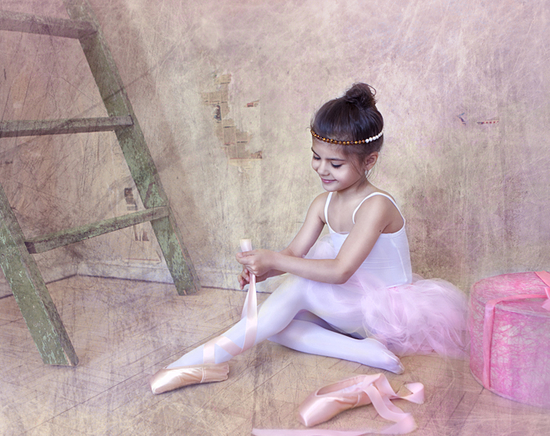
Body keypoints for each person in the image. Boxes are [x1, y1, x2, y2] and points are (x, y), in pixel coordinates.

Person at [150, 83, 466, 394]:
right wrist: (266, 268)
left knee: (291, 295)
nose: (322, 170)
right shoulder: (322, 204)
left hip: (388, 315)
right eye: (317, 157)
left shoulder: (377, 205)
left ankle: (195, 362)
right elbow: (293, 253)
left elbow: (340, 271)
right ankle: (362, 350)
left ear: (369, 161)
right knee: (270, 322)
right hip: (353, 308)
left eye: (336, 164)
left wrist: (276, 259)